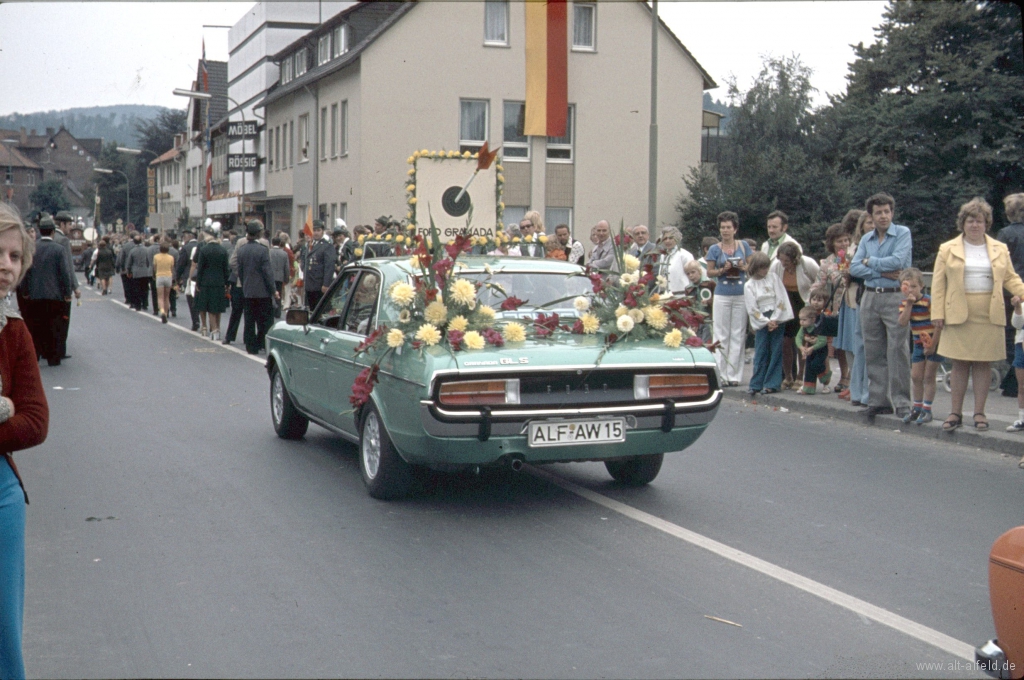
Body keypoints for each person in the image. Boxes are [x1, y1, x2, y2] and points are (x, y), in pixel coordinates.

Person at [0, 203, 50, 680]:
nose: (6, 266)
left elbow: (35, 421)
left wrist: (11, 411)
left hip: (2, 497)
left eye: (15, 257)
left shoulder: (16, 333)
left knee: (2, 632)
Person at [931, 197, 1024, 432]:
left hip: (989, 311)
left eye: (980, 221)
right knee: (960, 363)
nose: (975, 225)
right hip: (957, 312)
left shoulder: (999, 248)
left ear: (986, 224)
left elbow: (1011, 278)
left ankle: (980, 414)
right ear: (963, 223)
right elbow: (938, 284)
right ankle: (954, 413)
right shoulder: (947, 248)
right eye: (970, 220)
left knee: (983, 364)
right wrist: (937, 314)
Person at [849, 192, 913, 418]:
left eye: (887, 211)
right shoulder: (866, 239)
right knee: (873, 350)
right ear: (871, 216)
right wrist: (882, 271)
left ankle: (902, 401)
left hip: (895, 295)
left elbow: (899, 261)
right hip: (870, 296)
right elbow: (853, 268)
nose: (883, 216)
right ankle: (878, 399)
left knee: (898, 350)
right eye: (878, 213)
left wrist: (870, 262)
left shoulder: (903, 233)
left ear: (892, 213)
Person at [17, 216, 75, 366]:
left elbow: (26, 272)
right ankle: (53, 357)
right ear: (53, 232)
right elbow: (64, 273)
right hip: (54, 295)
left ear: (40, 231)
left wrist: (25, 291)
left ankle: (36, 354)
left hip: (35, 294)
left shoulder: (32, 249)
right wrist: (67, 293)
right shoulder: (59, 249)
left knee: (37, 326)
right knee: (54, 326)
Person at [705, 211, 753, 386]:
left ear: (735, 229)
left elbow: (752, 267)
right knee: (721, 333)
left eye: (728, 227)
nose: (725, 231)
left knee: (738, 333)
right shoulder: (714, 249)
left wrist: (742, 266)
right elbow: (709, 272)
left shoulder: (743, 246)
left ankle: (734, 375)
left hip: (740, 292)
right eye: (722, 227)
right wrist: (721, 270)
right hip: (722, 292)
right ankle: (721, 374)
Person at [770, 241, 821, 389]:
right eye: (781, 259)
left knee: (802, 341)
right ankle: (788, 376)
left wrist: (814, 301)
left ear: (795, 258)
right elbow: (772, 283)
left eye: (787, 260)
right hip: (786, 303)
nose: (783, 263)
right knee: (786, 341)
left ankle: (801, 376)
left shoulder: (808, 264)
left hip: (803, 302)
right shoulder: (776, 265)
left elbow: (819, 280)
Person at [897, 268, 943, 425]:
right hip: (918, 343)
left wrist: (933, 344)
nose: (910, 290)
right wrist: (909, 304)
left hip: (933, 342)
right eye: (906, 287)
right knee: (916, 376)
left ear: (921, 286)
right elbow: (902, 322)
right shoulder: (904, 303)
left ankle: (927, 409)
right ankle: (916, 407)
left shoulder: (929, 301)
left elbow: (938, 324)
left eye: (914, 287)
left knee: (929, 376)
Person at [744, 252, 793, 395]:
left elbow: (781, 298)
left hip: (776, 316)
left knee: (776, 350)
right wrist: (766, 321)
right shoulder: (749, 285)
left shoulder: (773, 278)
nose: (765, 270)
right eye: (762, 268)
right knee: (761, 351)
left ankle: (772, 383)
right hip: (762, 318)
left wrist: (775, 318)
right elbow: (752, 307)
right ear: (755, 267)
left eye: (767, 267)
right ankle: (756, 383)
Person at [817, 223, 853, 399]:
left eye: (846, 240)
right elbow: (820, 283)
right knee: (840, 344)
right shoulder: (828, 262)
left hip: (854, 302)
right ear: (832, 243)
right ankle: (844, 375)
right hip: (838, 305)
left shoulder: (855, 257)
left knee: (854, 343)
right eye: (840, 241)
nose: (844, 244)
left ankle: (852, 377)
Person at [236, 220, 279, 355]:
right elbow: (267, 272)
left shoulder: (242, 250)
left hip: (248, 291)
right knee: (265, 320)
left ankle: (251, 345)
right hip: (263, 292)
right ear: (259, 233)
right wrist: (273, 290)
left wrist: (245, 285)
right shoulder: (262, 250)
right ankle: (263, 343)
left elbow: (240, 271)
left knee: (249, 320)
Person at [996, 193, 1024, 398]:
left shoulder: (1005, 234)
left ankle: (1015, 380)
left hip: (1009, 291)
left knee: (1011, 332)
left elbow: (999, 264)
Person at [844, 212, 873, 406]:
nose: (871, 225)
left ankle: (868, 390)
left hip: (869, 293)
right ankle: (857, 391)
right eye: (868, 222)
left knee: (870, 345)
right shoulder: (856, 246)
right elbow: (853, 270)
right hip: (857, 296)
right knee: (858, 345)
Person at [51, 211, 81, 359]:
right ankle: (60, 350)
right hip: (62, 287)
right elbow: (68, 266)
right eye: (69, 224)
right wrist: (75, 287)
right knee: (62, 319)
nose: (70, 227)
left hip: (48, 287)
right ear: (62, 224)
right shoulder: (63, 240)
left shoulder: (49, 237)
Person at [194, 233, 230, 342]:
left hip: (206, 282)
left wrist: (198, 283)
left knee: (209, 307)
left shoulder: (204, 250)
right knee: (217, 307)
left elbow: (200, 269)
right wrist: (227, 283)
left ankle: (212, 330)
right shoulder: (223, 250)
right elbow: (226, 268)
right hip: (219, 282)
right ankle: (217, 329)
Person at [795, 307, 832, 395]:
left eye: (804, 320)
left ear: (813, 320)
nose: (802, 322)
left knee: (816, 364)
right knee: (808, 368)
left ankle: (825, 375)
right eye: (800, 319)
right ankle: (809, 388)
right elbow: (798, 338)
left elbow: (823, 341)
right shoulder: (803, 328)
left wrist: (811, 348)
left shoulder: (818, 326)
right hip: (810, 350)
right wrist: (801, 347)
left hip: (820, 350)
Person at [304, 220, 336, 310]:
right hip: (310, 284)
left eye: (318, 230)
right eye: (314, 230)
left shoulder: (327, 246)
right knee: (312, 309)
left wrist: (326, 284)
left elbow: (329, 266)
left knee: (320, 309)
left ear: (322, 231)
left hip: (319, 284)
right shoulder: (309, 245)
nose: (316, 233)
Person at [176, 230, 202, 332]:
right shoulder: (201, 245)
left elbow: (181, 264)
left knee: (191, 300)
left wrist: (177, 278)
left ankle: (196, 321)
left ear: (188, 237)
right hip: (201, 276)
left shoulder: (185, 248)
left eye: (184, 237)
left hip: (190, 276)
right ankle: (203, 322)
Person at [657, 226, 693, 294]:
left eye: (671, 238)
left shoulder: (684, 255)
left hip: (681, 295)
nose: (668, 241)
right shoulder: (663, 256)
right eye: (665, 238)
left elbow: (692, 277)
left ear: (677, 239)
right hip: (664, 296)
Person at [1006, 296, 1024, 432]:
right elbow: (1016, 324)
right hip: (1021, 346)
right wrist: (1017, 307)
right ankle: (1022, 418)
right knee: (1022, 386)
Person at [152, 242, 176, 323]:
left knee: (160, 297)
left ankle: (161, 311)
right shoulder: (171, 257)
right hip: (168, 276)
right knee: (166, 297)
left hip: (159, 276)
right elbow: (172, 268)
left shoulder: (156, 257)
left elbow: (155, 268)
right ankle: (166, 313)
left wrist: (155, 275)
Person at [269, 237, 291, 318]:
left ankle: (271, 310)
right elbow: (286, 267)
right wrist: (286, 278)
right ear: (279, 243)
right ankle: (277, 312)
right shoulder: (284, 254)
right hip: (280, 277)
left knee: (271, 293)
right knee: (279, 294)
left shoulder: (268, 252)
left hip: (270, 276)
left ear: (272, 243)